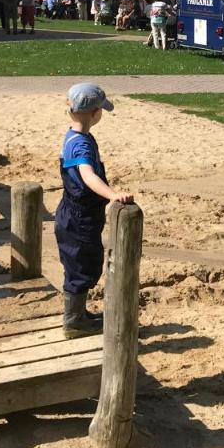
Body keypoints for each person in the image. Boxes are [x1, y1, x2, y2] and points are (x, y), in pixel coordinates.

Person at [55, 82, 132, 338]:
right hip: (79, 216)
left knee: (84, 261)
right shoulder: (81, 145)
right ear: (94, 114)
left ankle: (79, 314)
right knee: (81, 264)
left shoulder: (77, 136)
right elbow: (87, 176)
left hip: (77, 212)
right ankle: (74, 322)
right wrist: (113, 195)